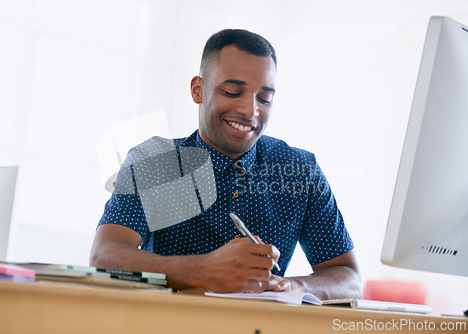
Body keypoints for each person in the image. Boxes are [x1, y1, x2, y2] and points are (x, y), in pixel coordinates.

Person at [90, 29, 361, 299]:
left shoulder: (300, 171)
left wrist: (293, 286)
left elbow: (349, 280)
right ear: (198, 90)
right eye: (233, 92)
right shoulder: (156, 162)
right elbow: (104, 257)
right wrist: (202, 270)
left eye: (264, 98)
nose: (250, 111)